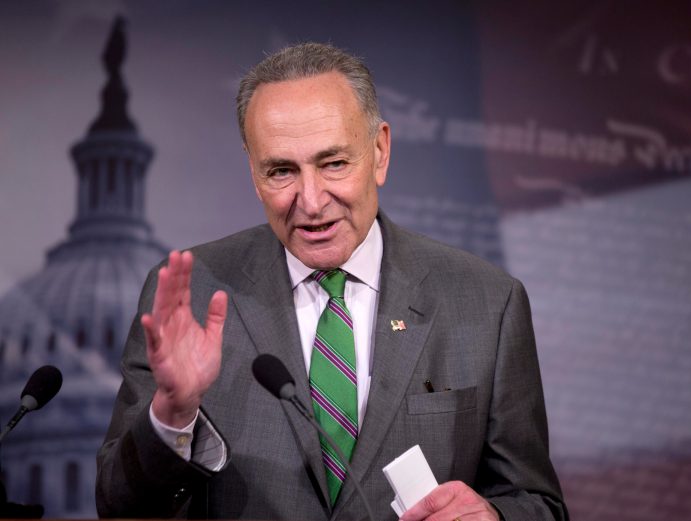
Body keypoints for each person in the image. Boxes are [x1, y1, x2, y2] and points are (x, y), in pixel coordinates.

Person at [96, 42, 566, 521]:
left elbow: (539, 504)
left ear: (380, 151)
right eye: (281, 170)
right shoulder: (190, 294)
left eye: (334, 163)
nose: (312, 200)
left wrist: (494, 517)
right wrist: (173, 413)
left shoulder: (487, 302)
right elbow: (118, 507)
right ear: (253, 173)